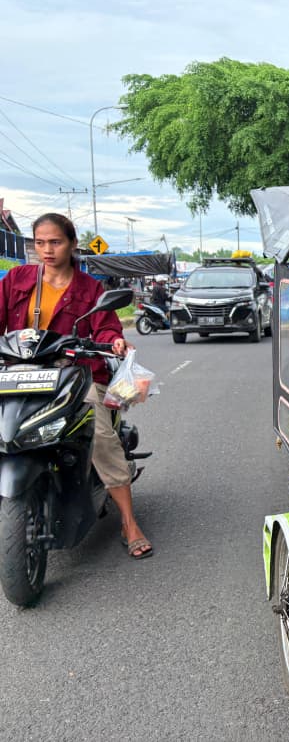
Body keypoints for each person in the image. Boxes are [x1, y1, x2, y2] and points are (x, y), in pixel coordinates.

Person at [0, 213, 152, 560]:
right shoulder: (16, 279)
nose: (47, 250)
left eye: (55, 242)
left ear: (71, 244)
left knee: (99, 432)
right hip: (18, 372)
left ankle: (129, 522)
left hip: (74, 374)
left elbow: (106, 327)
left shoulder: (89, 288)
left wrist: (114, 341)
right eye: (40, 243)